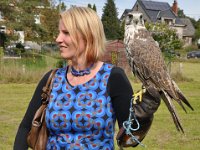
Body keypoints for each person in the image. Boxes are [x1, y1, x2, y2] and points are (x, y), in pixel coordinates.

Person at [14, 7, 160, 150]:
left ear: (87, 35)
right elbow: (25, 127)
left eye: (66, 33)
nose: (58, 39)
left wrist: (143, 117)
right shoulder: (52, 79)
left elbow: (129, 140)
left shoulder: (114, 77)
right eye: (59, 32)